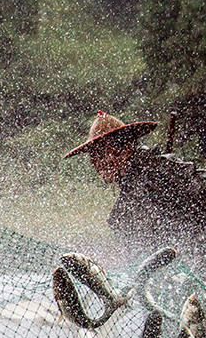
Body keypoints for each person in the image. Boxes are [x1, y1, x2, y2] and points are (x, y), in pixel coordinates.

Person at [65, 111, 206, 261]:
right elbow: (137, 256)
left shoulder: (160, 170)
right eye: (92, 156)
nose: (95, 162)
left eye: (101, 153)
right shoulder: (121, 212)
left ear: (125, 149)